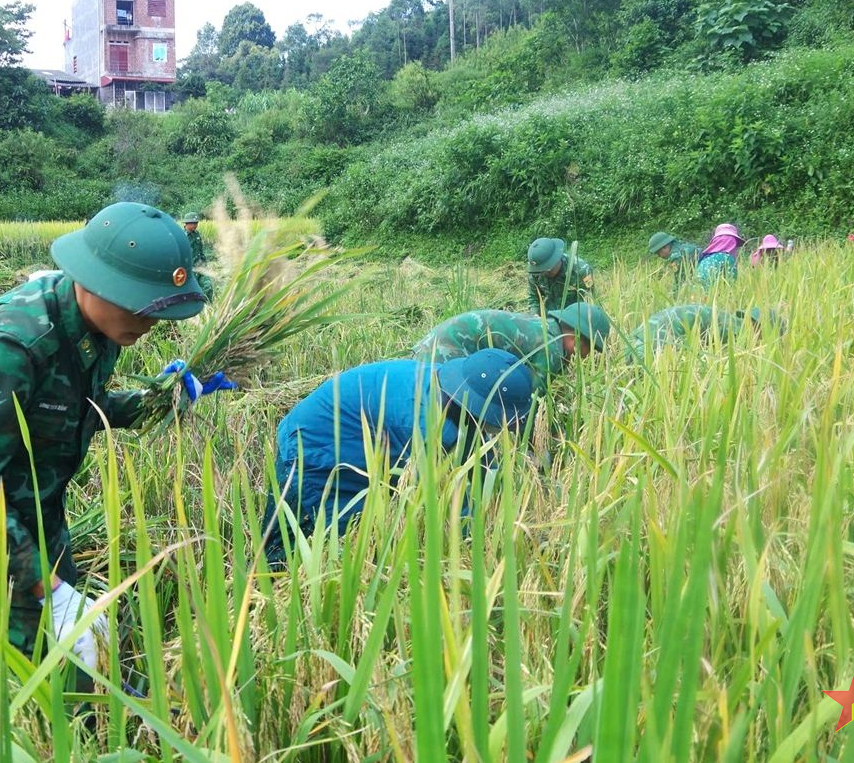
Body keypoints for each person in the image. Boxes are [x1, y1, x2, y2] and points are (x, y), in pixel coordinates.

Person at [0, 203, 218, 666]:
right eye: (138, 304)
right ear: (91, 278)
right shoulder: (5, 350)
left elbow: (74, 407)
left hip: (34, 513)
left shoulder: (102, 327)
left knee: (79, 656)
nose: (148, 322)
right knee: (13, 676)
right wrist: (53, 592)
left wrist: (160, 400)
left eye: (156, 310)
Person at [262, 348, 534, 565]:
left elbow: (475, 460)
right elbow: (438, 501)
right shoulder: (424, 426)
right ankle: (263, 589)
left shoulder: (452, 390)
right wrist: (483, 541)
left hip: (362, 438)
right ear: (478, 406)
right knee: (314, 534)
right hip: (313, 447)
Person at [411, 304, 611, 388]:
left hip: (435, 340)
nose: (588, 356)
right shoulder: (550, 349)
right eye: (591, 349)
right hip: (446, 349)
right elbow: (531, 402)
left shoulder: (545, 327)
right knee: (447, 407)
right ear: (577, 339)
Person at [625, 305, 782, 362]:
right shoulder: (736, 331)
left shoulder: (725, 318)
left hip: (637, 337)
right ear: (760, 328)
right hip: (656, 343)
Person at [526, 237, 592, 316]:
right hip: (550, 315)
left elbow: (589, 299)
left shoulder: (580, 270)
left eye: (547, 269)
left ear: (557, 259)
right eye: (541, 271)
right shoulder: (536, 273)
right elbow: (533, 298)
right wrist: (535, 316)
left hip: (575, 315)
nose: (543, 274)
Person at [695, 224, 743, 289]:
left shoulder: (704, 258)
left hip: (696, 295)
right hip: (713, 296)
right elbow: (731, 284)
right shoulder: (727, 258)